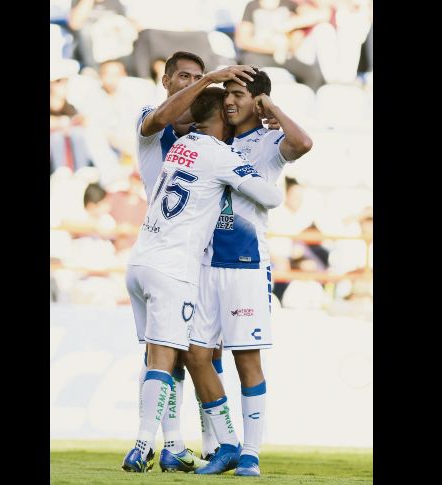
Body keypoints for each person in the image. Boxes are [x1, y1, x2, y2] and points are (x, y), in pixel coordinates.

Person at [122, 87, 284, 473]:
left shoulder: (178, 146)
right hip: (174, 268)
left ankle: (181, 445)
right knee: (166, 356)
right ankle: (144, 444)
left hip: (140, 259)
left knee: (167, 354)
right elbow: (272, 197)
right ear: (220, 120)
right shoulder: (221, 153)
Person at [193, 68, 313, 476]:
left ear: (258, 100)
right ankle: (225, 442)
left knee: (246, 360)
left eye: (239, 94)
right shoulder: (215, 140)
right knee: (197, 355)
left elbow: (304, 143)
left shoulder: (268, 141)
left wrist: (271, 108)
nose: (229, 101)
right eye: (226, 93)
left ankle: (252, 453)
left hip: (245, 264)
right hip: (205, 262)